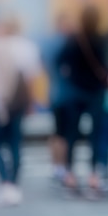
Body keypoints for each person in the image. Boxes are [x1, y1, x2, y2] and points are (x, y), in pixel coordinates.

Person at [0, 16, 43, 206]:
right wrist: (32, 103)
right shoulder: (27, 47)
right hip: (17, 103)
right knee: (15, 142)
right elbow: (32, 78)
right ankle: (13, 184)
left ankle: (5, 181)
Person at [56, 4, 108, 196]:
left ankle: (70, 173)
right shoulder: (103, 40)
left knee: (72, 134)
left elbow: (59, 61)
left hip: (75, 93)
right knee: (95, 136)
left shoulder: (74, 39)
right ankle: (94, 175)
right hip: (96, 93)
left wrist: (71, 78)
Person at [42, 12, 76, 184]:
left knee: (57, 131)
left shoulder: (51, 43)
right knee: (64, 132)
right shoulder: (66, 43)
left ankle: (57, 165)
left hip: (56, 92)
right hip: (65, 94)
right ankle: (61, 166)